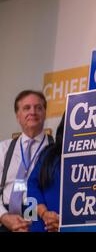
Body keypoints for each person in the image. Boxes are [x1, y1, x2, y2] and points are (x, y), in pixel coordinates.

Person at [0, 90, 51, 232]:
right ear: (18, 115)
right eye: (27, 108)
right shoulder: (3, 149)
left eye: (38, 107)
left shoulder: (55, 150)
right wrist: (4, 217)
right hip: (7, 220)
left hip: (42, 221)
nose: (33, 112)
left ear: (45, 113)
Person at [27, 114, 64, 232]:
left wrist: (65, 225)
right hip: (42, 225)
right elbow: (31, 186)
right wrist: (44, 214)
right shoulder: (49, 153)